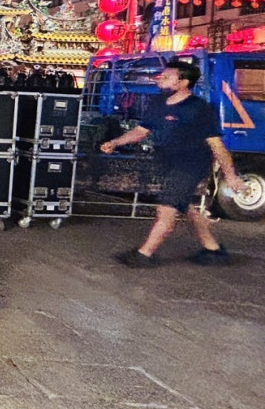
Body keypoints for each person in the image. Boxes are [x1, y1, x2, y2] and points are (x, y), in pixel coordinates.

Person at [101, 60, 244, 267]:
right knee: (184, 205)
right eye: (161, 76)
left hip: (190, 165)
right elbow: (141, 131)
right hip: (167, 163)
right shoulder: (158, 103)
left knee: (166, 208)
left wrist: (230, 176)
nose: (161, 79)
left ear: (183, 82)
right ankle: (212, 249)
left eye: (167, 77)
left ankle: (144, 255)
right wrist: (115, 142)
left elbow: (217, 145)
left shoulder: (199, 108)